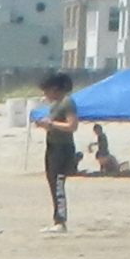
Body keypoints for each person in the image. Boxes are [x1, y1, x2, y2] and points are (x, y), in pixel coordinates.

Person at [30, 74, 82, 226]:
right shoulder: (53, 104)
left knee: (58, 184)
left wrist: (51, 124)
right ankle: (57, 219)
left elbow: (72, 126)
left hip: (63, 148)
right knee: (52, 182)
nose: (45, 94)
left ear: (54, 88)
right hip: (52, 146)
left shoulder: (67, 102)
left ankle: (61, 221)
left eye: (46, 90)